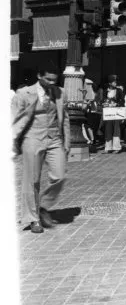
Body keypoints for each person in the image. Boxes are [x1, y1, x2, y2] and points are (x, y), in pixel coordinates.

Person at [11, 64, 71, 234]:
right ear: (39, 76)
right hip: (32, 138)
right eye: (48, 79)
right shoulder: (23, 93)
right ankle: (33, 218)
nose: (51, 82)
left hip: (54, 139)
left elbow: (65, 118)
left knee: (60, 176)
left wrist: (67, 142)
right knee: (32, 180)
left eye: (54, 80)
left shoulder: (60, 92)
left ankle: (43, 206)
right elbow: (13, 118)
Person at [99, 75, 125, 153]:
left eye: (116, 81)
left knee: (116, 129)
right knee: (108, 129)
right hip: (108, 112)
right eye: (114, 82)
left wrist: (117, 104)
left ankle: (116, 147)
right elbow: (102, 101)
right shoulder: (105, 91)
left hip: (116, 112)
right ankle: (108, 147)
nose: (115, 83)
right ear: (110, 83)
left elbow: (122, 101)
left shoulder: (119, 90)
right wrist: (103, 103)